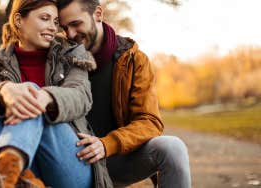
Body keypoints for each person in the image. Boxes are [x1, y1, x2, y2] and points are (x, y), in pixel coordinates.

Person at [0, 0, 113, 187]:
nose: (53, 28)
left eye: (55, 22)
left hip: (71, 163)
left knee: (29, 91)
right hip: (31, 165)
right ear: (19, 20)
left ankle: (6, 172)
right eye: (45, 19)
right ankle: (17, 178)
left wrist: (46, 97)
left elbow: (81, 96)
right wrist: (5, 91)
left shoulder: (71, 53)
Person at [56, 0, 192, 187]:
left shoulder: (133, 59)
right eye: (64, 27)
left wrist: (106, 144)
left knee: (172, 148)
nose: (70, 34)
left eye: (76, 24)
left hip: (116, 160)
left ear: (98, 14)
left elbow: (149, 121)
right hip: (72, 163)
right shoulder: (56, 59)